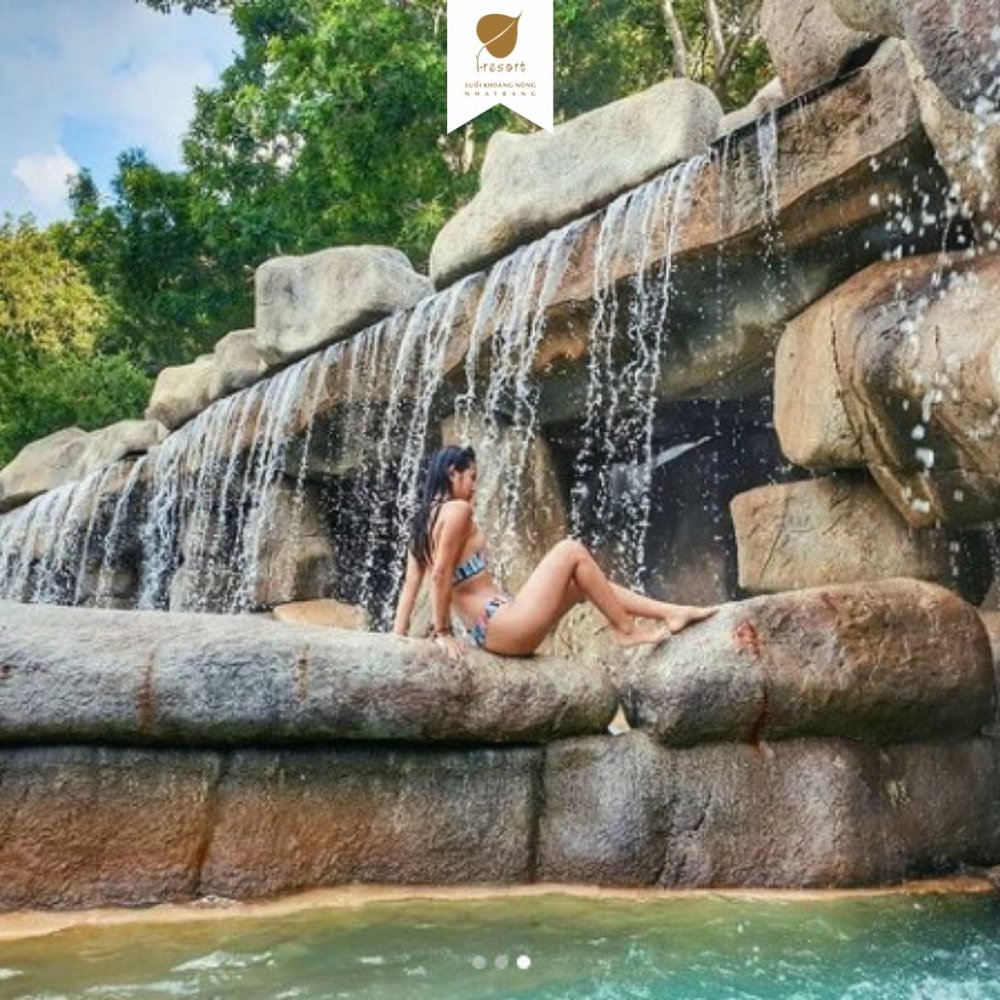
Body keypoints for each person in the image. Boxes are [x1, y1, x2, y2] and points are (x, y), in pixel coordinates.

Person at [392, 444, 717, 658]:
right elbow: (440, 574)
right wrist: (443, 633)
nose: (475, 487)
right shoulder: (457, 511)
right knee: (571, 550)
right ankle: (627, 630)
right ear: (453, 473)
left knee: (580, 585)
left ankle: (669, 613)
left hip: (494, 627)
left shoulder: (423, 520)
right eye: (472, 477)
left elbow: (411, 584)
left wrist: (398, 636)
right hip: (502, 625)